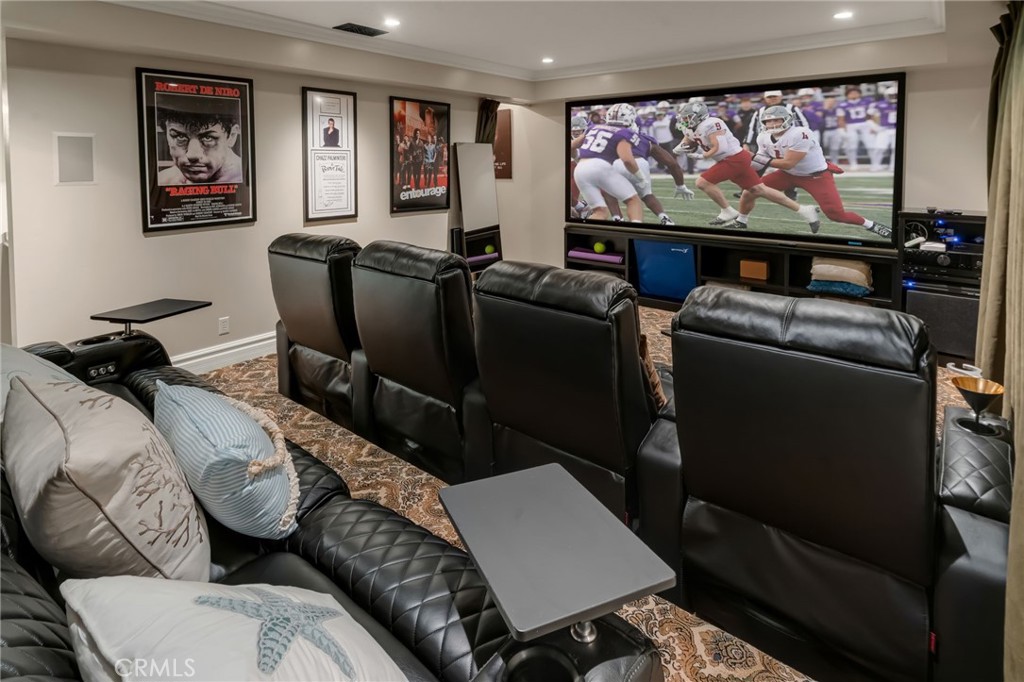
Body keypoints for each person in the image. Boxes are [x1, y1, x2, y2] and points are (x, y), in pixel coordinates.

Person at [736, 105, 892, 238]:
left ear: (788, 119)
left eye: (777, 120)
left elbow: (788, 163)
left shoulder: (800, 133)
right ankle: (741, 221)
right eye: (768, 121)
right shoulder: (763, 136)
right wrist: (752, 177)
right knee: (750, 191)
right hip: (788, 175)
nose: (772, 124)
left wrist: (754, 157)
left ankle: (871, 225)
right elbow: (761, 161)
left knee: (836, 215)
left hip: (815, 176)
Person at [672, 101, 819, 229]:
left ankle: (727, 211)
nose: (684, 121)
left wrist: (701, 156)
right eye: (683, 118)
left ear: (699, 116)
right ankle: (804, 210)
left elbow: (720, 147)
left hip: (734, 158)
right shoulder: (690, 126)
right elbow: (689, 137)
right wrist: (681, 146)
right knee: (758, 189)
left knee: (702, 182)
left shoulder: (711, 124)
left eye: (687, 118)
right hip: (731, 159)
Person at [570, 102, 646, 222]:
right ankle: (635, 233)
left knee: (600, 212)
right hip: (600, 167)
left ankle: (584, 232)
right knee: (633, 200)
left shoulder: (593, 127)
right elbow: (627, 159)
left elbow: (571, 146)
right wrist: (641, 178)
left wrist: (578, 158)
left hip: (581, 170)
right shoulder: (624, 132)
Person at [157, 96, 244, 185]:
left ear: (232, 136)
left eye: (208, 138)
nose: (192, 155)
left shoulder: (245, 180)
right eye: (180, 137)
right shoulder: (164, 180)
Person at [743, 90, 808, 152]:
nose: (772, 98)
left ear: (781, 96)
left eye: (774, 96)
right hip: (767, 143)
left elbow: (803, 123)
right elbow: (752, 128)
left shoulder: (792, 108)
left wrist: (806, 137)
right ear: (765, 98)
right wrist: (746, 143)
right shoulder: (760, 111)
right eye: (769, 97)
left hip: (790, 141)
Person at [836, 86, 874, 170]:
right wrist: (842, 129)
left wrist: (872, 125)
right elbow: (841, 119)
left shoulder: (867, 102)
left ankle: (874, 163)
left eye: (856, 92)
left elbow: (872, 115)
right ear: (847, 95)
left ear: (860, 94)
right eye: (851, 93)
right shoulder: (843, 105)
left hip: (865, 124)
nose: (853, 94)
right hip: (850, 125)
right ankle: (853, 163)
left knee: (870, 144)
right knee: (852, 145)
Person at [868, 86, 899, 171]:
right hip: (884, 129)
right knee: (879, 148)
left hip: (896, 129)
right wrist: (874, 127)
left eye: (895, 95)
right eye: (891, 95)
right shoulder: (879, 104)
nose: (894, 97)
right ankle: (875, 165)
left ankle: (893, 166)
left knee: (895, 149)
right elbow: (869, 116)